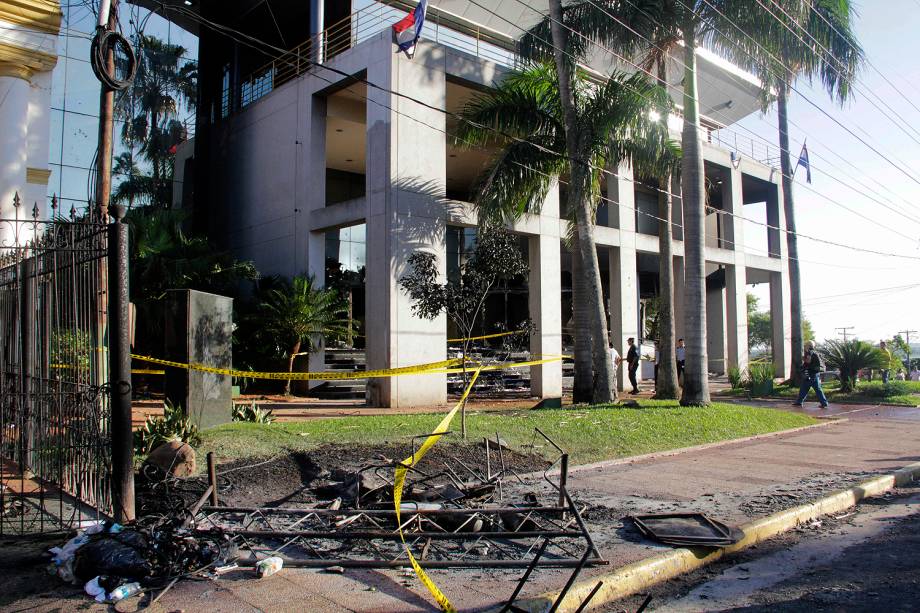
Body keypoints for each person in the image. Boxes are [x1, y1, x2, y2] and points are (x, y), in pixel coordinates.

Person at [793, 341, 828, 409]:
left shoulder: (810, 352)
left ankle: (799, 402)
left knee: (806, 388)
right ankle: (824, 403)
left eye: (806, 345)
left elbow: (808, 361)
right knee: (814, 389)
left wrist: (803, 361)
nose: (804, 347)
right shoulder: (815, 352)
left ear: (809, 346)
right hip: (815, 374)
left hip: (811, 374)